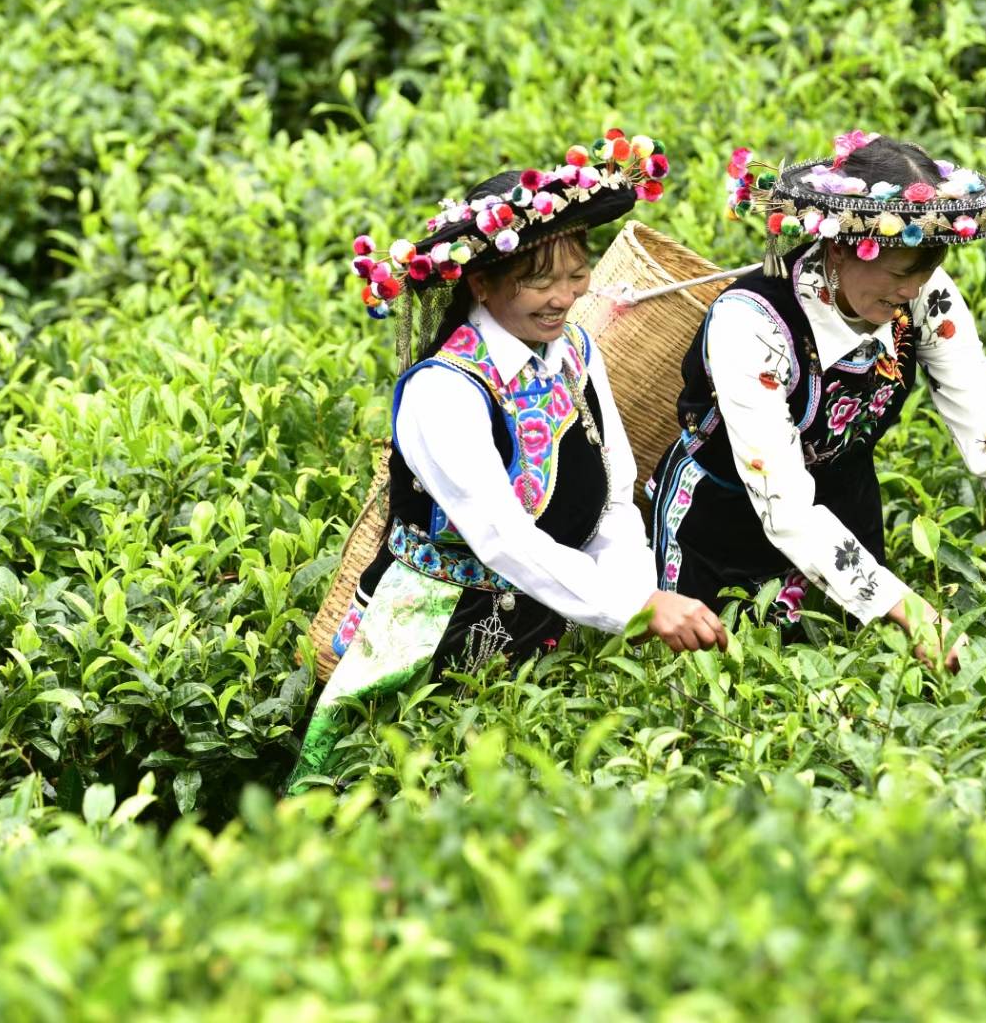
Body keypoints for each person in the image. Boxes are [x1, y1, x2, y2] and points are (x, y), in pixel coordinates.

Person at [290, 130, 725, 791]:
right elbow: (502, 537)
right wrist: (634, 606)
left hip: (547, 611)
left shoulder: (577, 347)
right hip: (432, 632)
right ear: (484, 283)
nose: (563, 295)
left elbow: (613, 490)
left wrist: (640, 592)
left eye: (577, 273)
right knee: (389, 793)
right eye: (538, 279)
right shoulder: (447, 388)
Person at [649, 132, 986, 673]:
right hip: (722, 528)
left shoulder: (925, 296)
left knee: (856, 683)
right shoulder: (752, 324)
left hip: (843, 511)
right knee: (726, 689)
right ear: (841, 247)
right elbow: (783, 504)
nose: (912, 291)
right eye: (901, 274)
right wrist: (906, 609)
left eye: (924, 272)